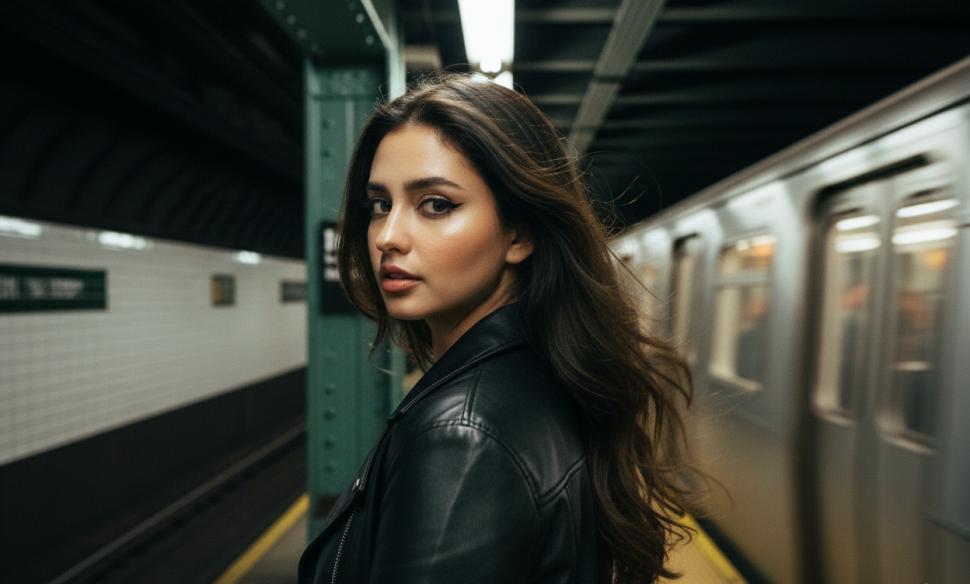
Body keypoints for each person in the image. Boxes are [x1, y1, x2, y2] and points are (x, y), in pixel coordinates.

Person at [298, 73, 695, 584]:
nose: (387, 236)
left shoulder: (460, 439)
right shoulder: (541, 373)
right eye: (380, 205)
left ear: (519, 233)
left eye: (436, 204)